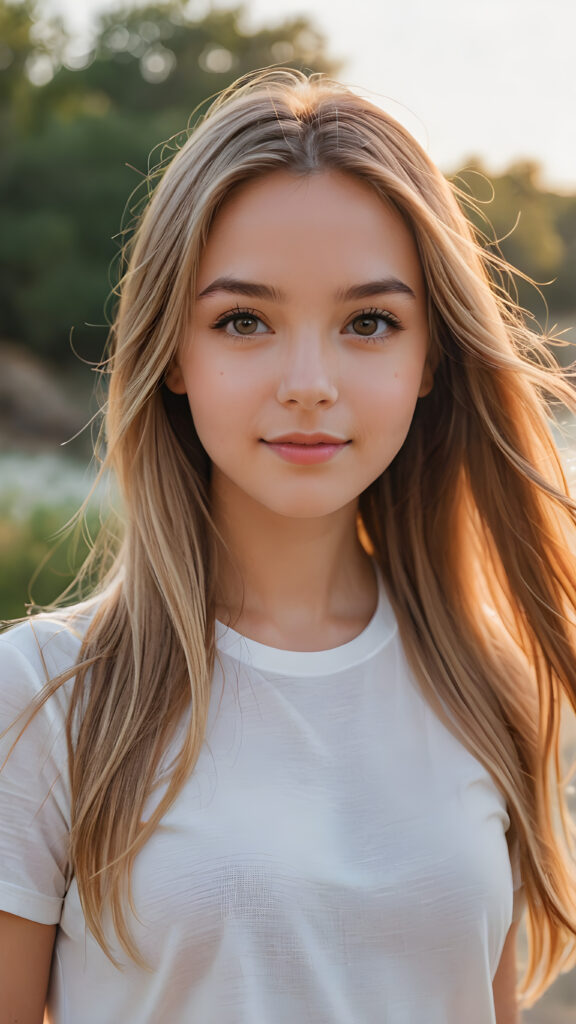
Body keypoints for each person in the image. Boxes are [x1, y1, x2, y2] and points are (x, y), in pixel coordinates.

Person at [1, 68, 575, 1024]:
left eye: (368, 323)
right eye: (244, 321)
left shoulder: (490, 680)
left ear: (430, 356)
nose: (309, 382)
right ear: (173, 354)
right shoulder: (47, 697)